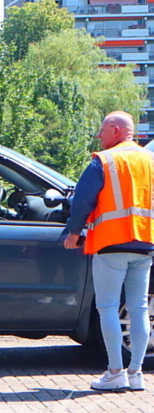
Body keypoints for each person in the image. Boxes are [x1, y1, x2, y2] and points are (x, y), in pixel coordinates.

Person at [64, 111, 154, 391]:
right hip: (145, 243)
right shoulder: (151, 160)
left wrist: (74, 232)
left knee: (108, 308)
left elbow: (82, 200)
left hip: (111, 244)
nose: (99, 137)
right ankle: (136, 373)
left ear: (115, 130)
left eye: (102, 131)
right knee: (138, 309)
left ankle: (115, 371)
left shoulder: (104, 160)